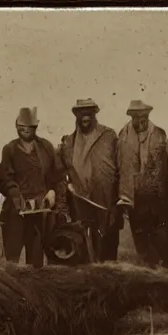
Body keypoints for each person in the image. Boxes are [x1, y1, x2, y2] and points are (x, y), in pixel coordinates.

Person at [0, 107, 65, 267]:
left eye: (29, 127)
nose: (25, 131)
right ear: (17, 128)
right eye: (21, 128)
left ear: (35, 128)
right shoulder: (10, 149)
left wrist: (53, 191)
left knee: (36, 263)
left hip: (40, 212)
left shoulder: (46, 148)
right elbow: (4, 179)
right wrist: (16, 196)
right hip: (16, 212)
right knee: (11, 262)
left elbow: (58, 176)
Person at [116, 100, 168, 269]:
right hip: (135, 199)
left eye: (144, 116)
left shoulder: (159, 134)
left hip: (158, 198)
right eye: (136, 117)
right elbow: (121, 166)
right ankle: (149, 271)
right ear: (131, 117)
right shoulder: (123, 135)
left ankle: (166, 271)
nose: (140, 120)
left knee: (162, 239)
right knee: (142, 242)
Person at [58, 98, 122, 262]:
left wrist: (118, 203)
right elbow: (62, 176)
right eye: (81, 113)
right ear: (76, 116)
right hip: (80, 206)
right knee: (84, 252)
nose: (85, 117)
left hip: (106, 203)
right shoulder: (68, 143)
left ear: (95, 114)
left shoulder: (109, 136)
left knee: (108, 254)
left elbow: (121, 168)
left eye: (88, 113)